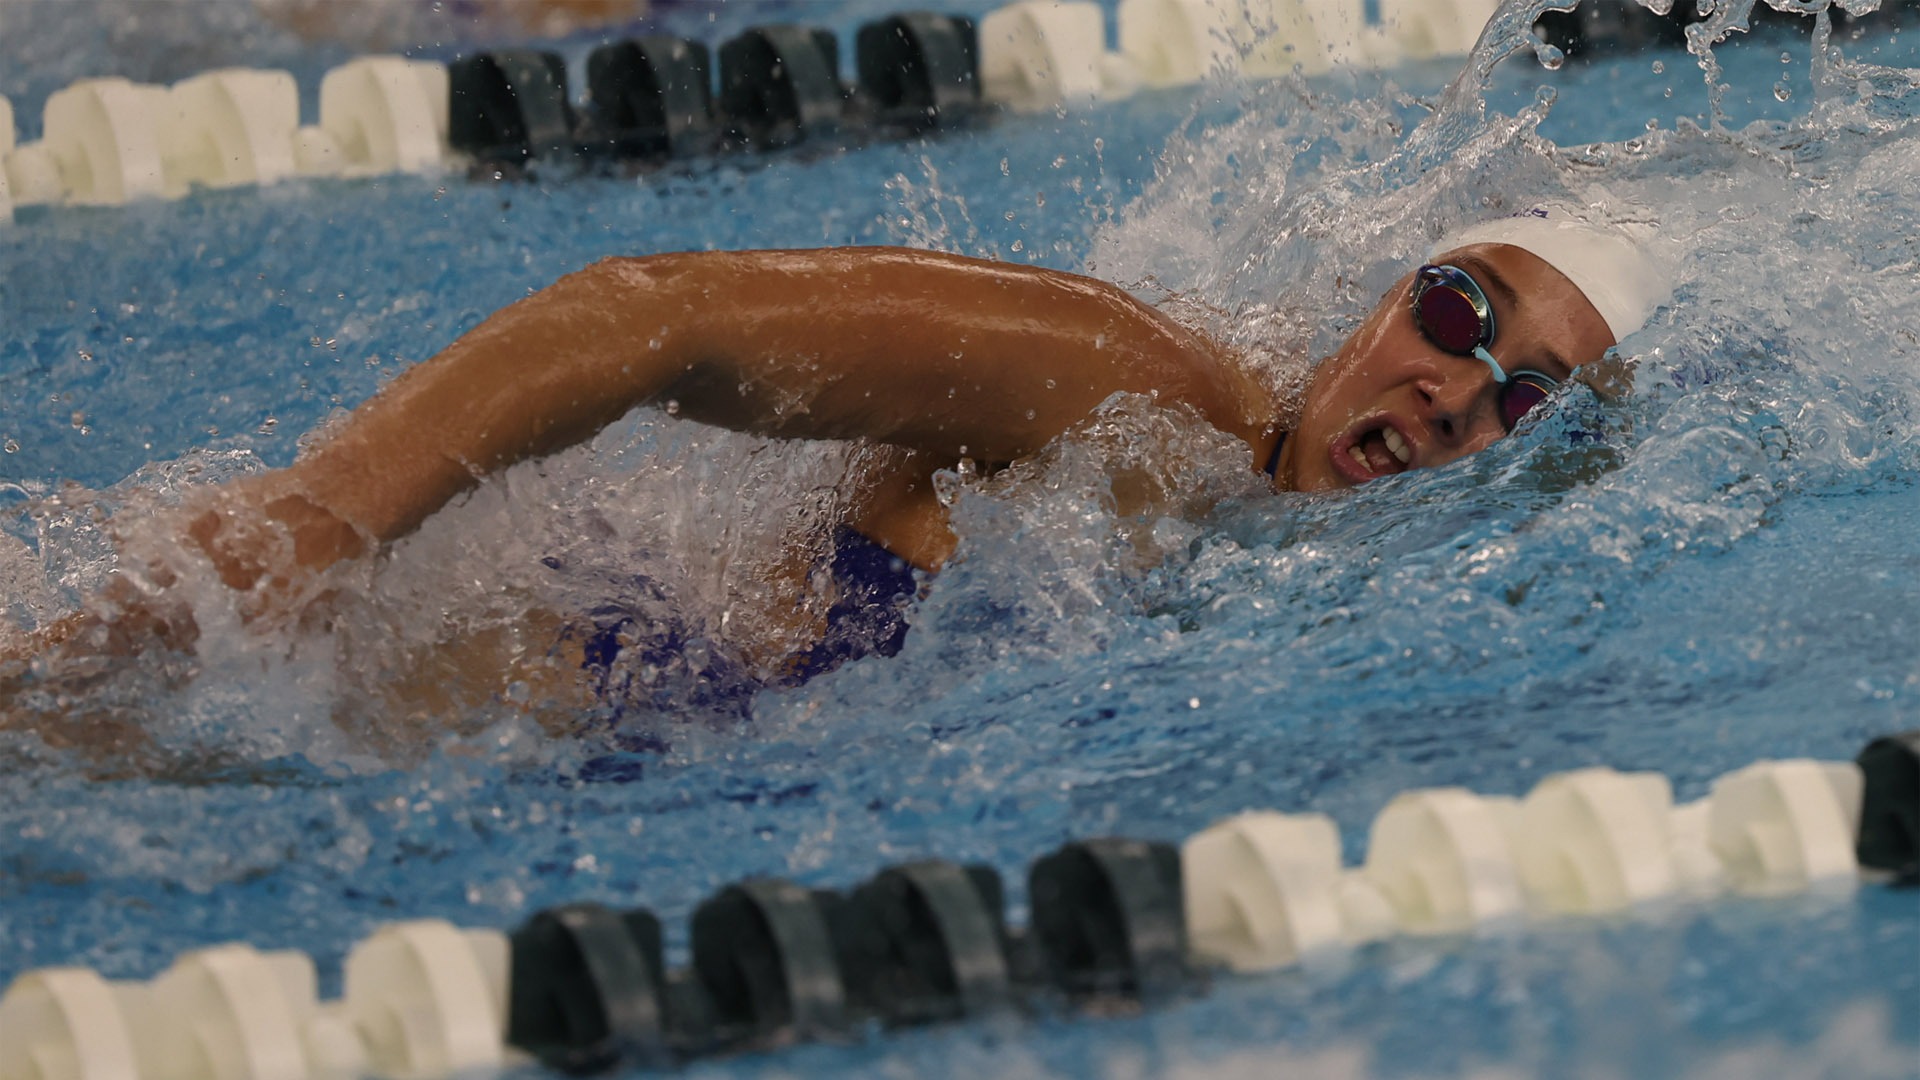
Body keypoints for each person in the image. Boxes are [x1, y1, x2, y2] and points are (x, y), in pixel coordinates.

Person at [1, 205, 1668, 745]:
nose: (1456, 393)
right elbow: (657, 318)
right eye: (1458, 311)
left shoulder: (1366, 613)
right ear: (1386, 293)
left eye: (1523, 402)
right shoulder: (1136, 389)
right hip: (513, 695)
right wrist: (317, 522)